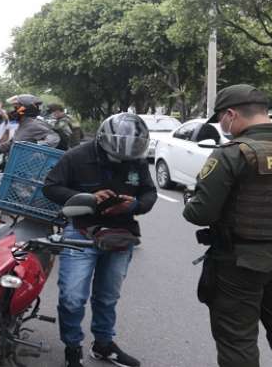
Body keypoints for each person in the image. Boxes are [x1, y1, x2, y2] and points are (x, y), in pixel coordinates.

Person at [182, 84, 272, 367]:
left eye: (220, 118)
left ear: (231, 114)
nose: (221, 125)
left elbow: (200, 214)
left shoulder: (231, 154)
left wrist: (191, 198)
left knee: (237, 339)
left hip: (243, 261)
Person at [43, 112, 157, 367]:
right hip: (82, 231)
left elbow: (150, 192)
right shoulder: (76, 157)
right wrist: (89, 198)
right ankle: (72, 348)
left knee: (107, 296)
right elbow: (50, 187)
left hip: (120, 234)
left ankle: (103, 344)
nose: (124, 161)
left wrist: (134, 204)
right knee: (72, 297)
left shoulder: (137, 161)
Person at [0, 94, 59, 160]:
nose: (14, 111)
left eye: (16, 108)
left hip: (27, 169)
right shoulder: (23, 123)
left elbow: (54, 137)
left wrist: (39, 150)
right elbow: (13, 142)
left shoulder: (34, 124)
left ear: (26, 108)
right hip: (14, 164)